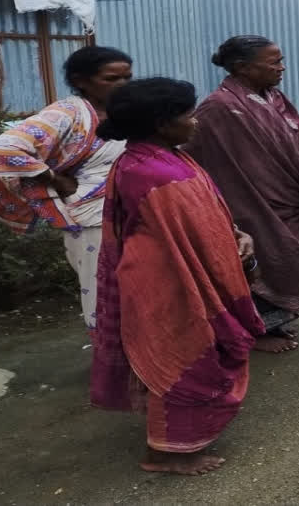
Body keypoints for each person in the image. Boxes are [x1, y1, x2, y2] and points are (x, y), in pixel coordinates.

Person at [90, 77, 263, 476]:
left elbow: (206, 220)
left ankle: (177, 443)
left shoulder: (163, 157)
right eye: (188, 114)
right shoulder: (152, 172)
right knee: (183, 353)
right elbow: (192, 234)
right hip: (168, 277)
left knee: (193, 350)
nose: (196, 121)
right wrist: (233, 257)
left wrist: (236, 237)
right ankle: (165, 454)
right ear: (162, 123)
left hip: (180, 269)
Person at [0, 46, 133, 329]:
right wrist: (55, 179)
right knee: (102, 294)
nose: (121, 85)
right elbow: (1, 150)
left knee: (134, 291)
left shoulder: (126, 111)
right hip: (92, 217)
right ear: (81, 80)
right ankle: (110, 362)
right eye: (111, 79)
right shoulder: (67, 113)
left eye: (127, 78)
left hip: (130, 212)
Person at [185, 36, 299, 353]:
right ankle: (253, 332)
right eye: (274, 62)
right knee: (259, 263)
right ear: (242, 67)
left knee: (288, 258)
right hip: (248, 202)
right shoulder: (220, 107)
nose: (282, 67)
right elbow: (193, 154)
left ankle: (274, 322)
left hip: (286, 198)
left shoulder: (274, 98)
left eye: (281, 60)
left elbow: (294, 145)